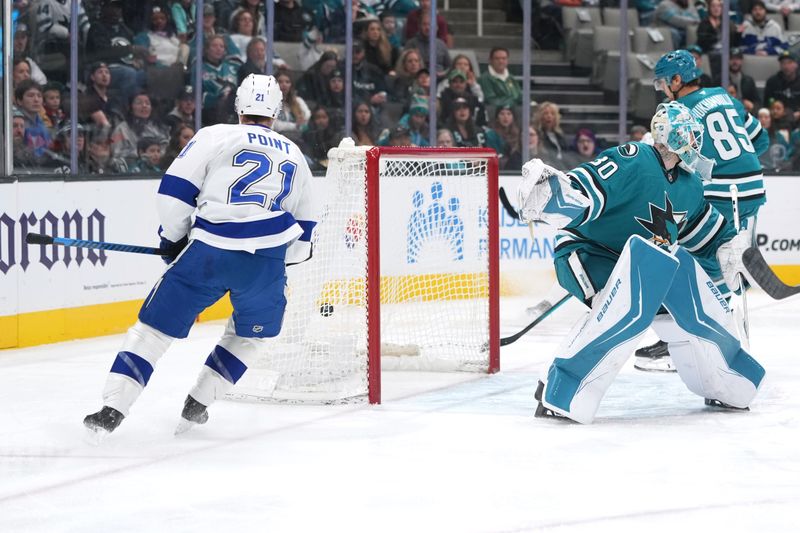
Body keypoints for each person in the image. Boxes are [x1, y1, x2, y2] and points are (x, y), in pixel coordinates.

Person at [83, 74, 316, 438]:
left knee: (152, 332)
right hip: (265, 263)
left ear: (238, 106)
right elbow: (305, 228)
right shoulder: (295, 153)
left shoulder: (215, 135)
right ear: (277, 109)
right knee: (249, 335)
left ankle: (112, 409)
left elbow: (174, 193)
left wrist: (174, 238)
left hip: (209, 252)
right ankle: (199, 403)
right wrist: (276, 262)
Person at [517, 101, 765, 424]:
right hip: (588, 252)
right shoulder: (634, 160)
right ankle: (563, 385)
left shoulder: (689, 186)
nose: (696, 144)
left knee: (679, 275)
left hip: (645, 264)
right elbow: (587, 189)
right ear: (675, 137)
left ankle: (730, 381)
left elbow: (706, 231)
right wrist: (553, 192)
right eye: (691, 136)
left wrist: (730, 249)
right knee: (629, 298)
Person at [635, 49, 769, 370]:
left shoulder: (677, 109)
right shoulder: (723, 95)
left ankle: (695, 340)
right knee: (719, 262)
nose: (663, 90)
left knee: (693, 261)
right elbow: (759, 140)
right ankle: (709, 329)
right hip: (752, 189)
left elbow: (668, 160)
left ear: (677, 80)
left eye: (664, 83)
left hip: (721, 192)